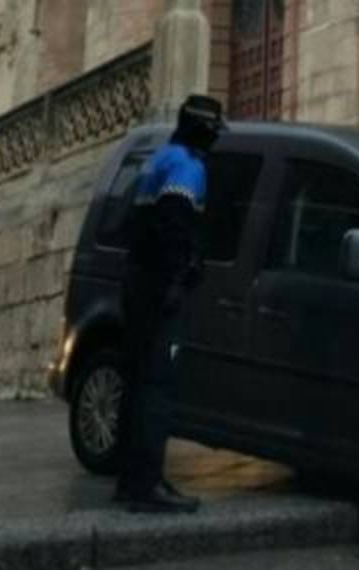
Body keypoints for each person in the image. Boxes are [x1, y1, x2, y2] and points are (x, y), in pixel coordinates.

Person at [116, 95, 226, 513]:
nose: (216, 137)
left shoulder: (158, 160)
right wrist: (178, 278)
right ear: (203, 128)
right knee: (156, 387)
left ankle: (131, 480)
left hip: (138, 279)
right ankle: (148, 484)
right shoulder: (188, 167)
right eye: (214, 129)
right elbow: (174, 226)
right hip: (159, 286)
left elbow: (135, 220)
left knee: (137, 379)